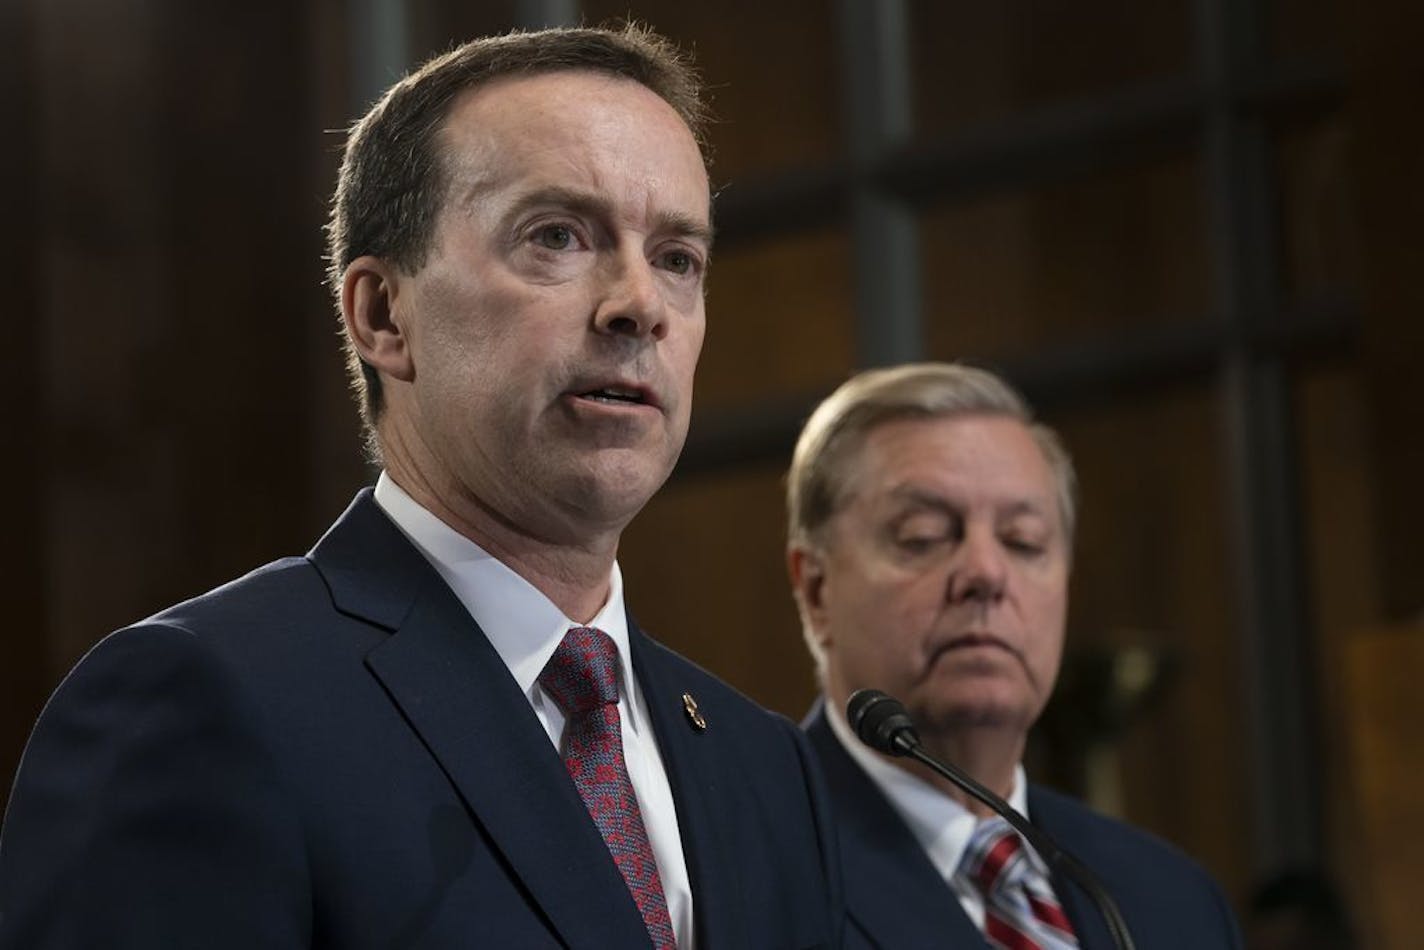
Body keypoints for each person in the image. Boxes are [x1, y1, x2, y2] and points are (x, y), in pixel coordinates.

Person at [0, 25, 841, 949]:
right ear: (382, 314)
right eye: (557, 236)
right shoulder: (206, 700)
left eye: (677, 257)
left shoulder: (766, 769)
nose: (641, 304)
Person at [786, 362, 1241, 948]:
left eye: (1023, 542)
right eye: (923, 537)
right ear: (816, 590)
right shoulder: (752, 869)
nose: (985, 573)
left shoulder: (1172, 900)